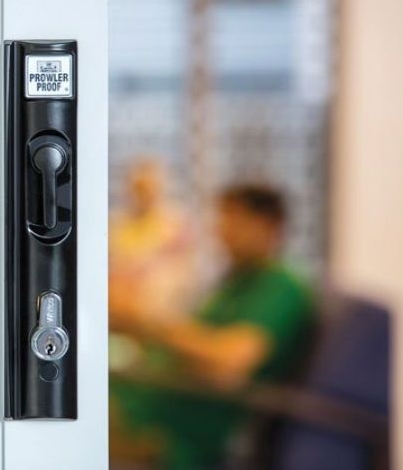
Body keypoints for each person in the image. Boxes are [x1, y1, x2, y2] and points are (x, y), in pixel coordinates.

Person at [110, 184, 315, 469]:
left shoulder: (279, 287)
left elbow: (229, 361)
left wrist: (150, 322)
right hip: (142, 403)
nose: (222, 231)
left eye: (234, 220)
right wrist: (130, 323)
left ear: (269, 225)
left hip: (169, 433)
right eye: (222, 219)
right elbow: (190, 339)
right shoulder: (234, 282)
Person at [109, 158, 197, 324]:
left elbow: (182, 268)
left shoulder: (175, 221)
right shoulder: (116, 222)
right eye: (138, 188)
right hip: (121, 298)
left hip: (159, 302)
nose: (143, 194)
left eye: (149, 188)